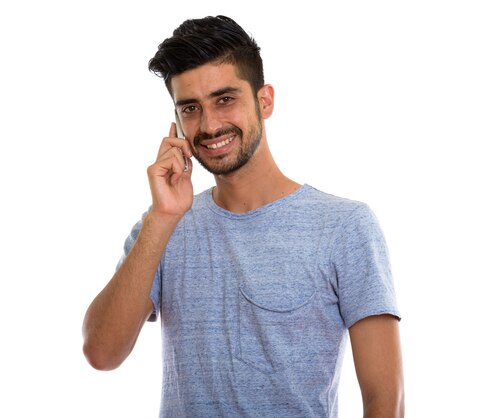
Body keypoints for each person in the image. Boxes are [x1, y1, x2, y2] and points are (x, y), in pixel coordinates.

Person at [82, 15, 404, 418]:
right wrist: (163, 217)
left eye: (225, 99)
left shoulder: (344, 227)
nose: (210, 124)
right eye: (191, 108)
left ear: (264, 100)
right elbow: (100, 352)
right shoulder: (162, 226)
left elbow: (384, 400)